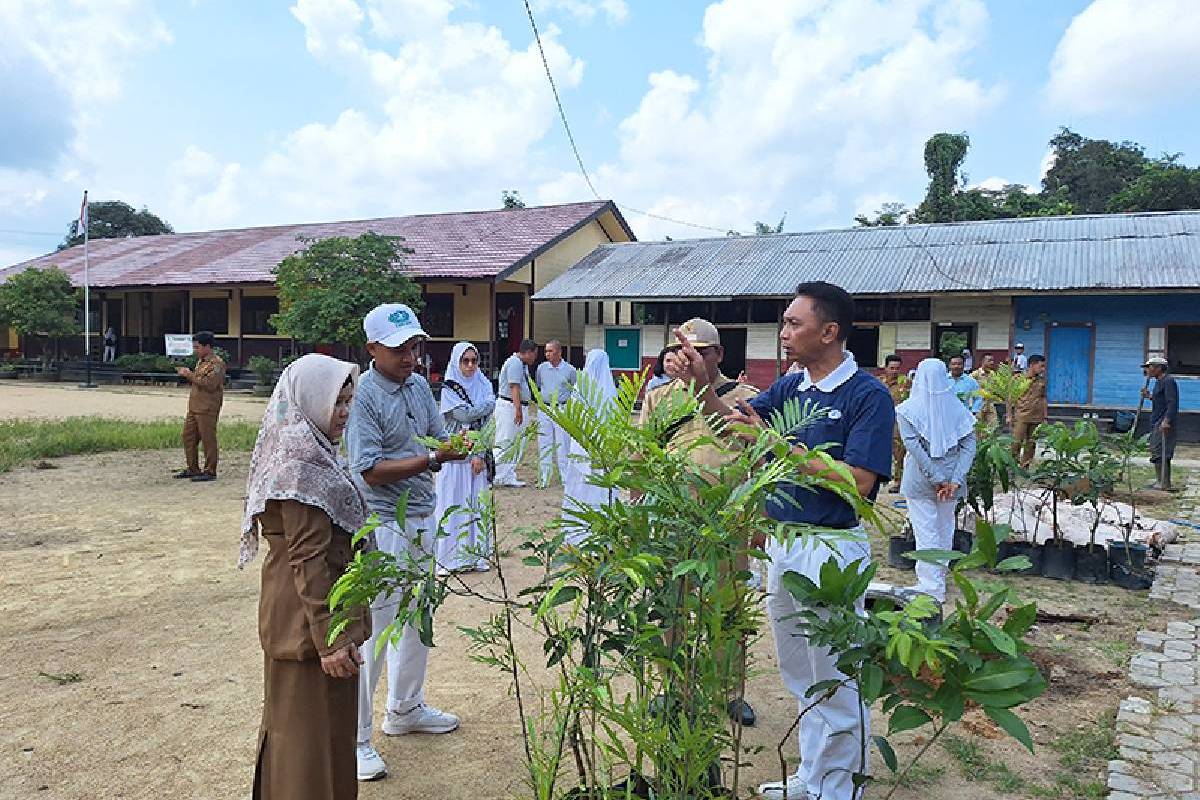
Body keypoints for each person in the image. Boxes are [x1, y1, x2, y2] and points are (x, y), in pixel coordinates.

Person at [686, 281, 893, 800]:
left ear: (830, 332)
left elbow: (861, 482)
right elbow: (733, 427)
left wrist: (777, 445)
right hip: (784, 543)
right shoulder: (791, 387)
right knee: (799, 669)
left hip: (829, 548)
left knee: (836, 674)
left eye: (793, 323)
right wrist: (700, 386)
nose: (784, 332)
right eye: (784, 322)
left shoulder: (866, 395)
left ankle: (841, 788)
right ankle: (813, 776)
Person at [345, 303, 468, 782]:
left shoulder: (419, 386)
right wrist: (433, 460)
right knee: (374, 628)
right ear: (373, 348)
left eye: (414, 346)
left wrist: (459, 445)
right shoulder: (364, 398)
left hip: (420, 515)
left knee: (419, 616)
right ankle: (357, 738)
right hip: (383, 524)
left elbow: (437, 436)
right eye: (398, 349)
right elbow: (370, 471)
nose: (410, 357)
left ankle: (405, 708)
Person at [240, 354, 370, 800]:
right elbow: (308, 558)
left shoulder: (314, 450)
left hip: (319, 620)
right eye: (336, 402)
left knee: (324, 735)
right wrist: (330, 639)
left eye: (348, 402)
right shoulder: (299, 462)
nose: (344, 413)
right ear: (310, 401)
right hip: (308, 624)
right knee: (303, 741)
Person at [637, 317, 761, 728]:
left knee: (727, 609)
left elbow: (760, 460)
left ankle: (728, 691)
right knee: (671, 606)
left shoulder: (745, 398)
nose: (689, 358)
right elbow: (641, 460)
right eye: (681, 350)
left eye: (700, 351)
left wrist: (759, 521)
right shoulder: (659, 399)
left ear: (718, 355)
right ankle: (674, 688)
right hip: (674, 521)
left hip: (726, 522)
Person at [897, 359, 977, 603]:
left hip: (921, 479)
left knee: (926, 531)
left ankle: (931, 586)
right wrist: (954, 479)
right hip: (952, 481)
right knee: (944, 529)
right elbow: (969, 445)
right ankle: (937, 579)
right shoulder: (959, 410)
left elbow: (914, 447)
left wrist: (937, 478)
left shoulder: (907, 410)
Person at [434, 342, 496, 573]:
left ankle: (475, 556)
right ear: (456, 362)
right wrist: (489, 405)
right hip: (453, 457)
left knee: (474, 506)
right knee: (452, 504)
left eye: (474, 360)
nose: (470, 366)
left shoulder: (483, 384)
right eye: (465, 361)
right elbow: (463, 414)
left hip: (475, 459)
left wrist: (480, 453)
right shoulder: (450, 388)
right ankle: (451, 559)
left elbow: (488, 425)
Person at [560, 349, 618, 545]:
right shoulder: (610, 392)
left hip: (582, 450)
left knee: (583, 490)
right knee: (598, 489)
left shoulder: (580, 390)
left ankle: (580, 536)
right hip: (601, 452)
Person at [173, 331, 225, 482]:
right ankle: (193, 468)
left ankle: (210, 470)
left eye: (197, 347)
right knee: (188, 437)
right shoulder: (201, 362)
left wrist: (189, 375)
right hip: (195, 407)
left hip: (207, 407)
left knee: (208, 439)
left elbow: (210, 384)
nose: (195, 350)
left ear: (207, 346)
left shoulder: (217, 364)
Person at [494, 339, 538, 488]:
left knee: (516, 443)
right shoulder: (515, 363)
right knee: (506, 441)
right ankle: (493, 473)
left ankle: (507, 475)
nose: (534, 358)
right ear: (528, 352)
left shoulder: (521, 364)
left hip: (516, 406)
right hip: (510, 406)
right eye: (534, 354)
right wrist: (518, 409)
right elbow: (514, 387)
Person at [535, 339, 577, 488]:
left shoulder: (570, 370)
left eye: (550, 351)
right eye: (546, 351)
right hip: (545, 408)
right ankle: (544, 478)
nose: (547, 354)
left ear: (559, 352)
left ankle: (565, 477)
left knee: (562, 443)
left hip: (561, 408)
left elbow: (574, 390)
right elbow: (539, 385)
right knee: (544, 443)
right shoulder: (541, 368)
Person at [1142, 356, 1179, 491]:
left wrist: (1167, 421)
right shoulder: (1159, 381)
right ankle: (1160, 480)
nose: (1148, 370)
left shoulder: (1168, 381)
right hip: (1157, 419)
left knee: (1162, 451)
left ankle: (1164, 483)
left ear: (1158, 368)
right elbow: (1160, 401)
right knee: (1156, 450)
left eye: (1150, 367)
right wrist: (1149, 396)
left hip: (1164, 421)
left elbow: (1172, 403)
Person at [1009, 354, 1047, 468]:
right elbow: (1010, 398)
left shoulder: (1042, 381)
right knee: (1016, 442)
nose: (1043, 369)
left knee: (1031, 444)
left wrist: (1045, 416)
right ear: (1032, 365)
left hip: (1036, 416)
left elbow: (1043, 398)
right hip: (1021, 416)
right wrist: (1009, 415)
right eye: (1041, 366)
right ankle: (1012, 466)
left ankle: (1025, 466)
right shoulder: (1018, 379)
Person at [880, 354, 909, 493]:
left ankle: (898, 481)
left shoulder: (906, 383)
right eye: (891, 368)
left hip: (898, 422)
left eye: (897, 368)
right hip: (879, 421)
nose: (895, 371)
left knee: (899, 453)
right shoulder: (877, 382)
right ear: (885, 368)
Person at [971, 354, 999, 430]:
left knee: (993, 427)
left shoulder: (993, 374)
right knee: (978, 428)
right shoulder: (975, 374)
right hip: (978, 405)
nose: (992, 362)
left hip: (990, 404)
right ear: (983, 362)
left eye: (992, 360)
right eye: (989, 360)